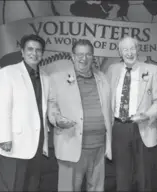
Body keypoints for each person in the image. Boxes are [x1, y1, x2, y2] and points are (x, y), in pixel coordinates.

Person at [48, 39, 112, 192]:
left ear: (93, 56)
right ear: (72, 56)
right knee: (68, 189)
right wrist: (57, 119)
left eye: (88, 54)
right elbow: (52, 106)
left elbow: (109, 109)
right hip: (72, 144)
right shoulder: (58, 78)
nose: (84, 59)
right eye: (80, 54)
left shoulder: (102, 78)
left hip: (99, 146)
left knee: (97, 188)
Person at [0, 34, 49, 191]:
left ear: (42, 53)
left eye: (38, 50)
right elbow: (0, 107)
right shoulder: (7, 73)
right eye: (30, 49)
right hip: (13, 144)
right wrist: (4, 138)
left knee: (31, 187)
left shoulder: (45, 77)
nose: (34, 53)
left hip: (36, 145)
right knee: (11, 187)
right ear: (22, 52)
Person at [106, 36, 157, 191]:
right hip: (119, 127)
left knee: (144, 176)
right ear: (120, 52)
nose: (129, 53)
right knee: (122, 175)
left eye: (132, 48)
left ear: (138, 49)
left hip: (142, 126)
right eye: (125, 49)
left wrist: (148, 115)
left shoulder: (152, 70)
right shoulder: (112, 70)